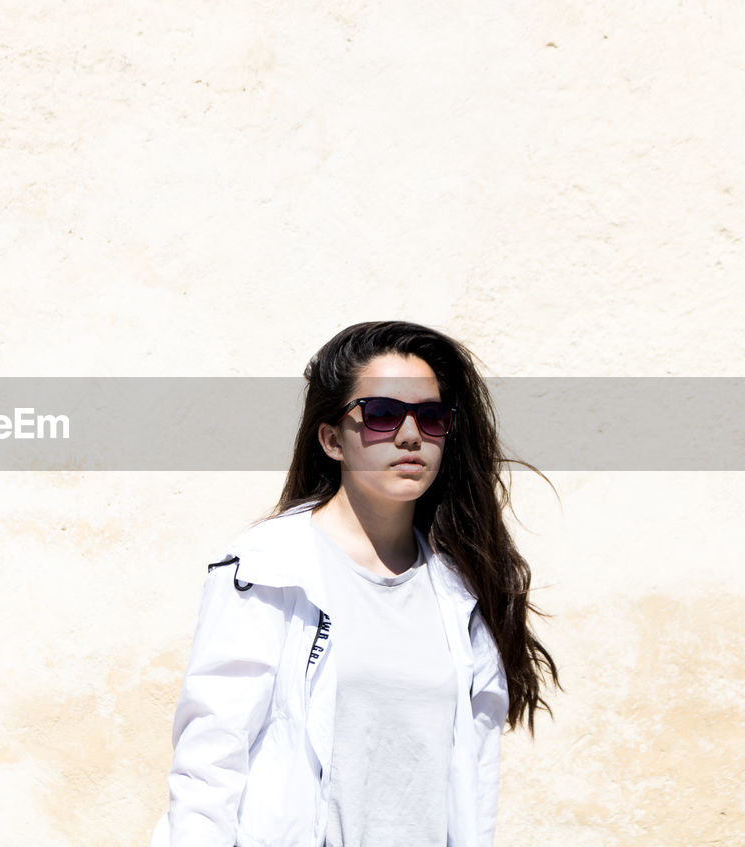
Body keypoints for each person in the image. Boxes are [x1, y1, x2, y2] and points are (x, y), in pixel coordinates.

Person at [151, 321, 559, 847]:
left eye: (431, 418)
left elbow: (474, 777)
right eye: (383, 414)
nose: (410, 435)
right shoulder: (268, 570)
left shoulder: (462, 589)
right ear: (331, 440)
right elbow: (210, 759)